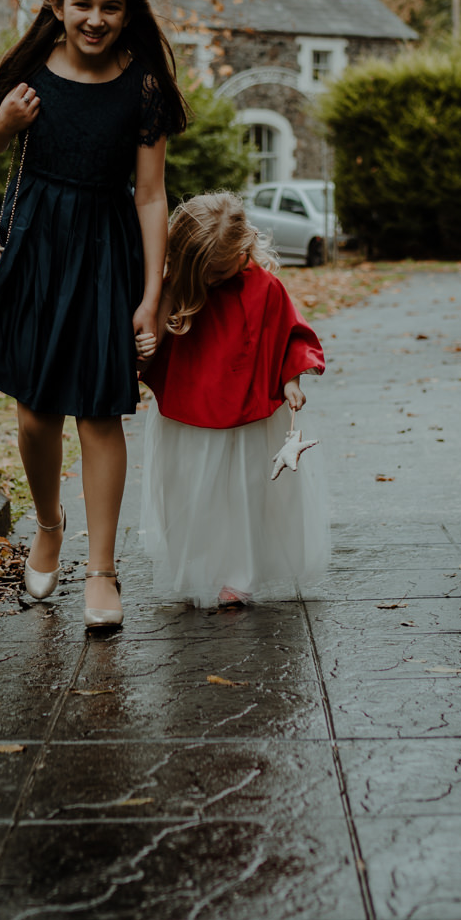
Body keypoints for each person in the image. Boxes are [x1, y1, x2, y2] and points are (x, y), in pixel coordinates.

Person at [0, 0, 189, 629]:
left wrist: (150, 294)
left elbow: (151, 196)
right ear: (57, 4)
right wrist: (5, 125)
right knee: (33, 413)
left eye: (110, 7)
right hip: (35, 248)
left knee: (98, 413)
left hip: (103, 254)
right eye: (82, 4)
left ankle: (103, 572)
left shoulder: (142, 86)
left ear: (127, 13)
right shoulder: (28, 68)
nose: (95, 18)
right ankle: (50, 524)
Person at [137, 192, 329, 608]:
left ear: (243, 250)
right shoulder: (181, 287)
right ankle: (194, 568)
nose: (210, 281)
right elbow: (155, 338)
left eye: (218, 271)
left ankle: (238, 575)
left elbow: (288, 333)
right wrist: (147, 345)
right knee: (189, 492)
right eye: (203, 272)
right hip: (189, 415)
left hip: (249, 416)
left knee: (243, 494)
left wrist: (292, 379)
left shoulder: (266, 287)